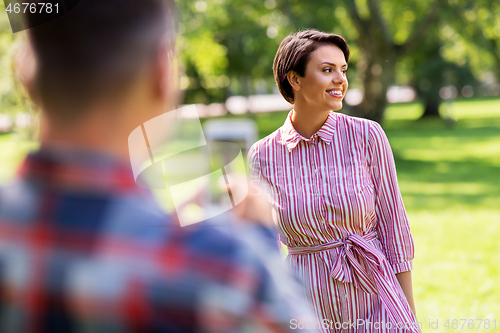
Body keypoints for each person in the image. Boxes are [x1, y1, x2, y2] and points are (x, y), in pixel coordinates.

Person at [0, 1, 315, 332]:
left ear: (24, 72)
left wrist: (155, 227)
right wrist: (261, 237)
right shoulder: (226, 274)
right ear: (161, 74)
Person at [248, 30, 421, 333]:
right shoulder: (263, 155)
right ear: (295, 79)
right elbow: (263, 249)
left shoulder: (367, 136)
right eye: (327, 70)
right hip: (306, 312)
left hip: (375, 302)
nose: (340, 79)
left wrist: (407, 319)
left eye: (343, 70)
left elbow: (395, 231)